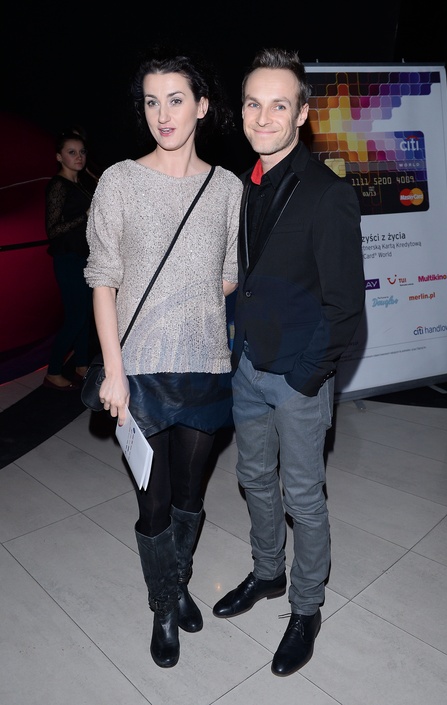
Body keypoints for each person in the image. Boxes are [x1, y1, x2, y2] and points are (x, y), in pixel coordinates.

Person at [84, 47, 243, 669]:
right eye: (152, 102)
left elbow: (227, 277)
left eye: (176, 100)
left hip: (205, 366)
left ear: (202, 107)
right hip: (140, 371)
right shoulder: (119, 181)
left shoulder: (226, 188)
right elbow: (103, 280)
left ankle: (177, 583)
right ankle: (163, 605)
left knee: (190, 498)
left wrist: (188, 300)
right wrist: (114, 370)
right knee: (153, 501)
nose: (163, 114)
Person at [212, 48, 366, 676]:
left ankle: (306, 608)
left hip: (298, 376)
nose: (263, 116)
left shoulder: (328, 195)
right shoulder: (240, 186)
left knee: (303, 497)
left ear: (302, 113)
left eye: (279, 105)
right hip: (247, 364)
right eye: (254, 103)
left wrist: (306, 379)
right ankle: (268, 572)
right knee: (253, 478)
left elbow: (345, 308)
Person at [44, 130, 96, 390]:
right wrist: (85, 215)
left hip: (84, 258)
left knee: (85, 315)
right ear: (59, 157)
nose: (79, 157)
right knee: (76, 317)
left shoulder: (81, 184)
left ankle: (81, 365)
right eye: (71, 152)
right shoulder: (58, 185)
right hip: (68, 259)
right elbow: (53, 230)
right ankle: (53, 371)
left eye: (82, 152)